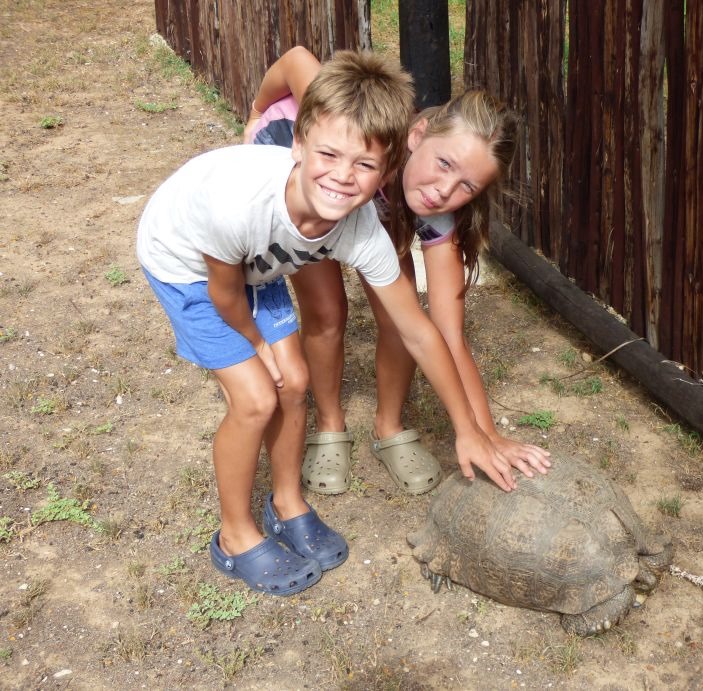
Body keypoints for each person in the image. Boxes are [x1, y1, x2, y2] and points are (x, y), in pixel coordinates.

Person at [137, 50, 513, 597]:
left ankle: (287, 503)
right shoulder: (237, 203)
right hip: (190, 266)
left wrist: (470, 431)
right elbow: (226, 292)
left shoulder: (361, 228)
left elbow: (419, 330)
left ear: (384, 172)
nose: (343, 176)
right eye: (330, 155)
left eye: (364, 166)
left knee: (294, 383)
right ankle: (235, 536)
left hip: (258, 262)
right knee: (256, 398)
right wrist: (257, 347)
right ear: (298, 143)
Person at [243, 47, 552, 497]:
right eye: (444, 163)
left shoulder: (435, 211)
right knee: (326, 310)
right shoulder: (358, 127)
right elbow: (296, 59)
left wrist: (485, 434)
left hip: (381, 203)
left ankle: (388, 426)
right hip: (315, 184)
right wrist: (256, 111)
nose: (443, 190)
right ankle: (329, 424)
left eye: (467, 186)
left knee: (399, 316)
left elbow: (447, 333)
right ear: (417, 134)